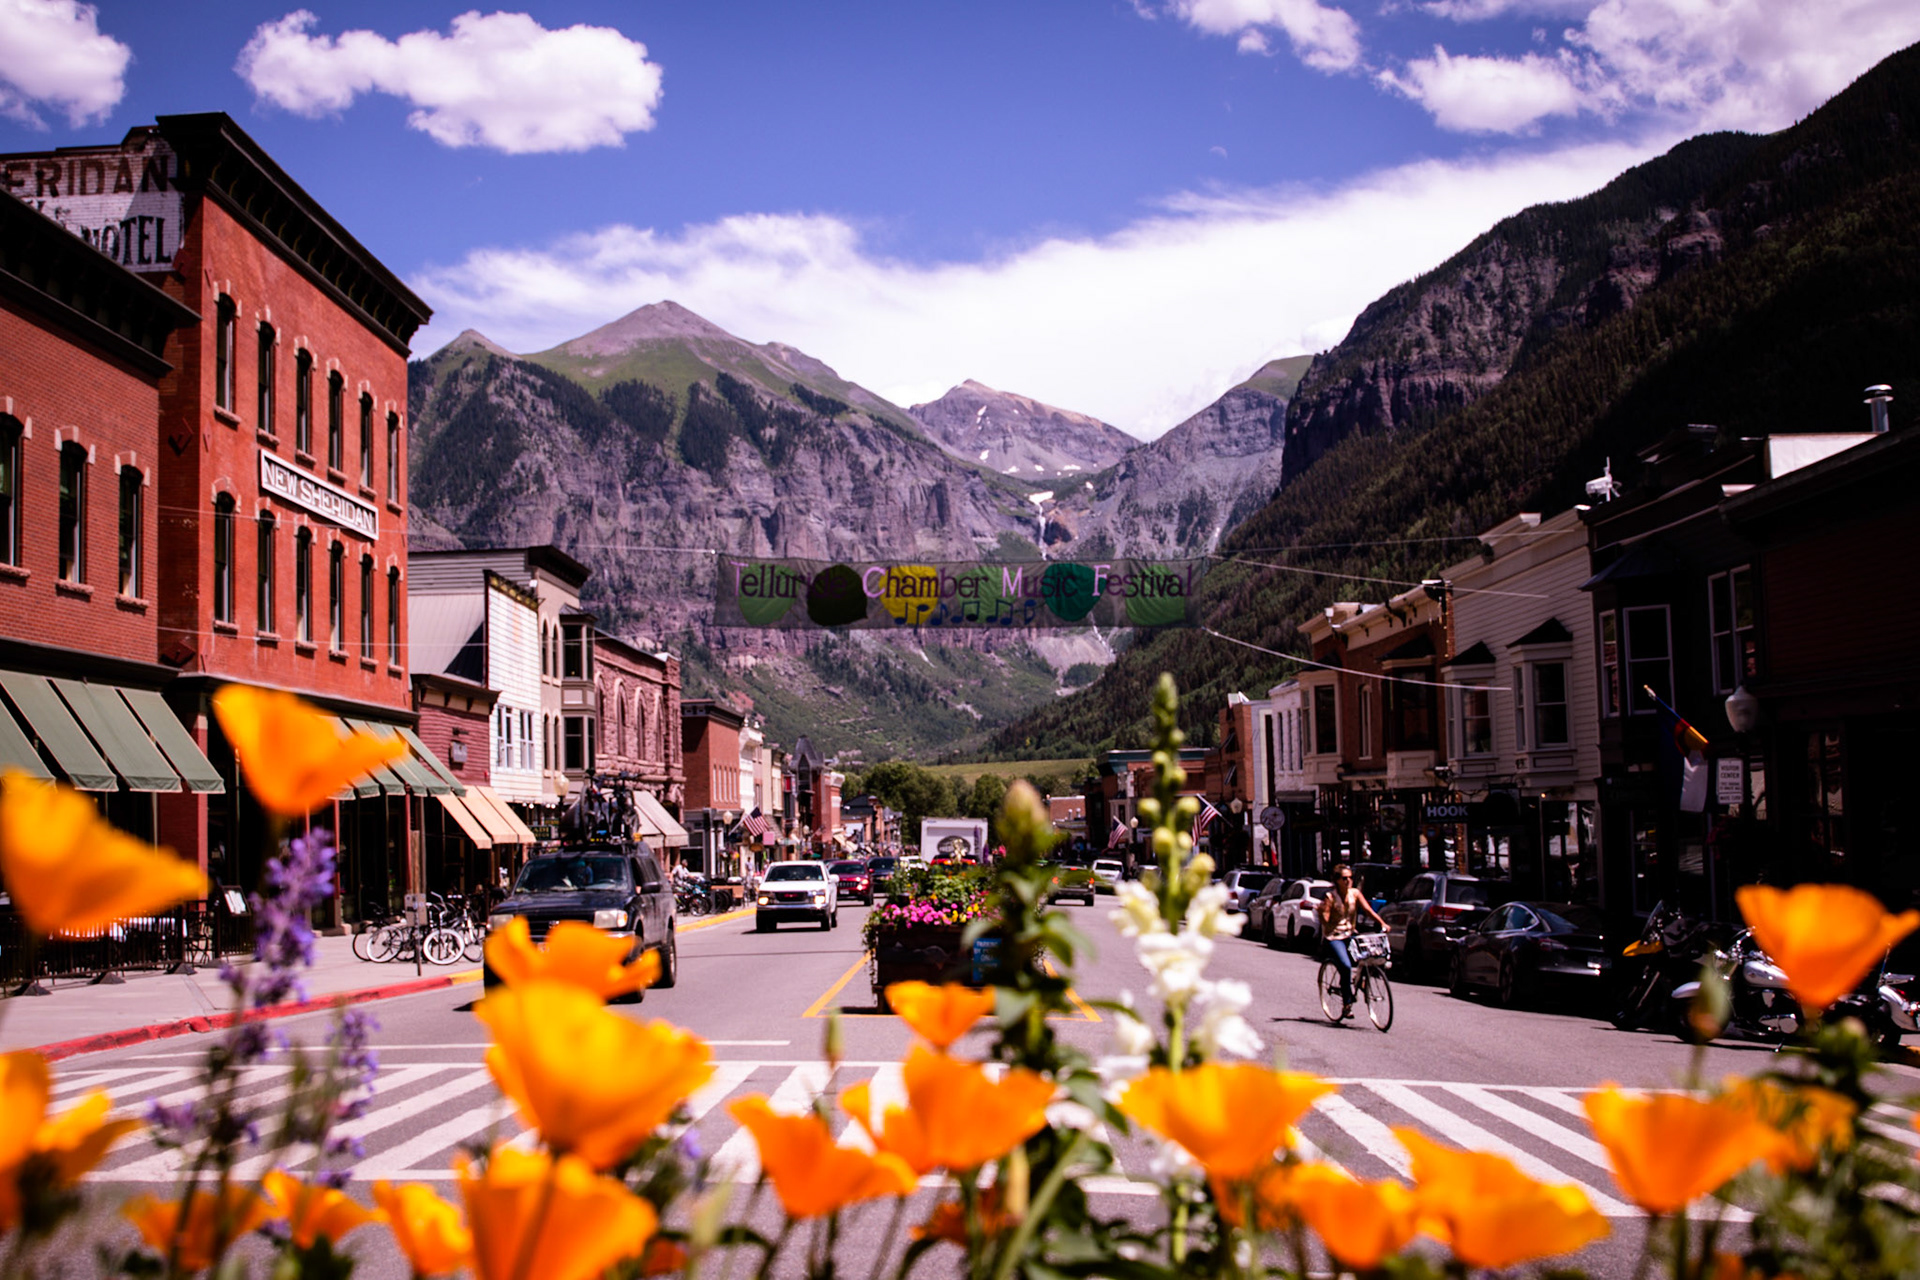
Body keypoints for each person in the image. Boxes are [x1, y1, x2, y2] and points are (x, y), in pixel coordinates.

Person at [1318, 862, 1387, 1019]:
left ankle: (1361, 980)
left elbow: (1368, 910)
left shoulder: (1355, 893)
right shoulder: (1331, 897)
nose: (1348, 881)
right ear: (1337, 880)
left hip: (1350, 934)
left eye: (1350, 878)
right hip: (1334, 937)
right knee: (1345, 966)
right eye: (1344, 878)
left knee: (1371, 956)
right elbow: (1326, 920)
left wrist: (1382, 922)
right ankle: (1347, 1004)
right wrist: (1322, 913)